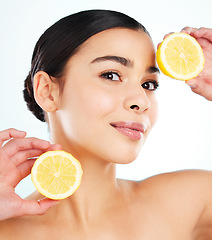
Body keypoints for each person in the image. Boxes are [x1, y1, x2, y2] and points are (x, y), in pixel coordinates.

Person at [0, 9, 211, 239]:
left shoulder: (192, 204)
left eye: (149, 84)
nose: (141, 101)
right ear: (48, 92)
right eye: (111, 75)